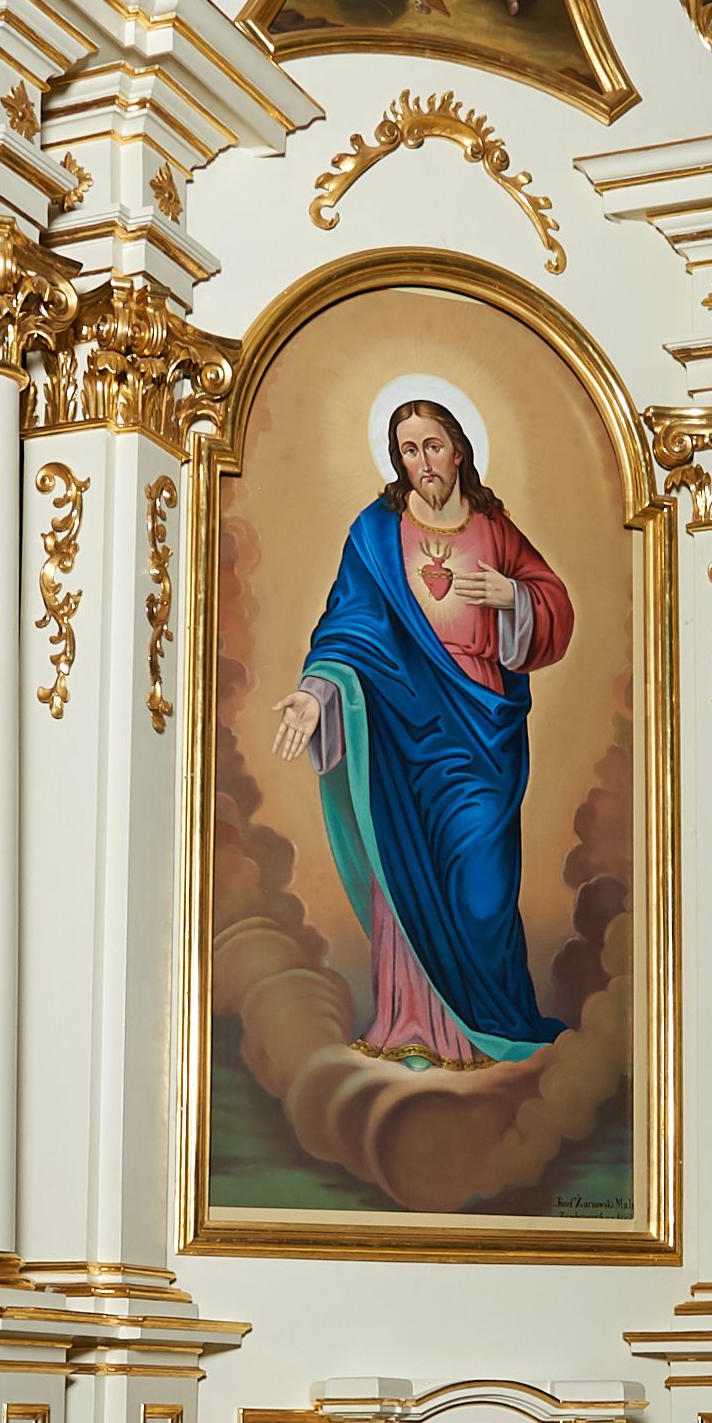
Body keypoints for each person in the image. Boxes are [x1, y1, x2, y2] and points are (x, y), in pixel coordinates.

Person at [273, 398, 572, 1066]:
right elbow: (349, 624)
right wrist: (317, 694)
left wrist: (514, 598)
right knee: (407, 868)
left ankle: (488, 1022)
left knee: (484, 887)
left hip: (481, 726)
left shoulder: (494, 528)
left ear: (458, 449)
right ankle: (414, 1026)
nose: (422, 461)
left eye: (432, 446)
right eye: (408, 450)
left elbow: (554, 601)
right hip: (402, 727)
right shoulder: (376, 532)